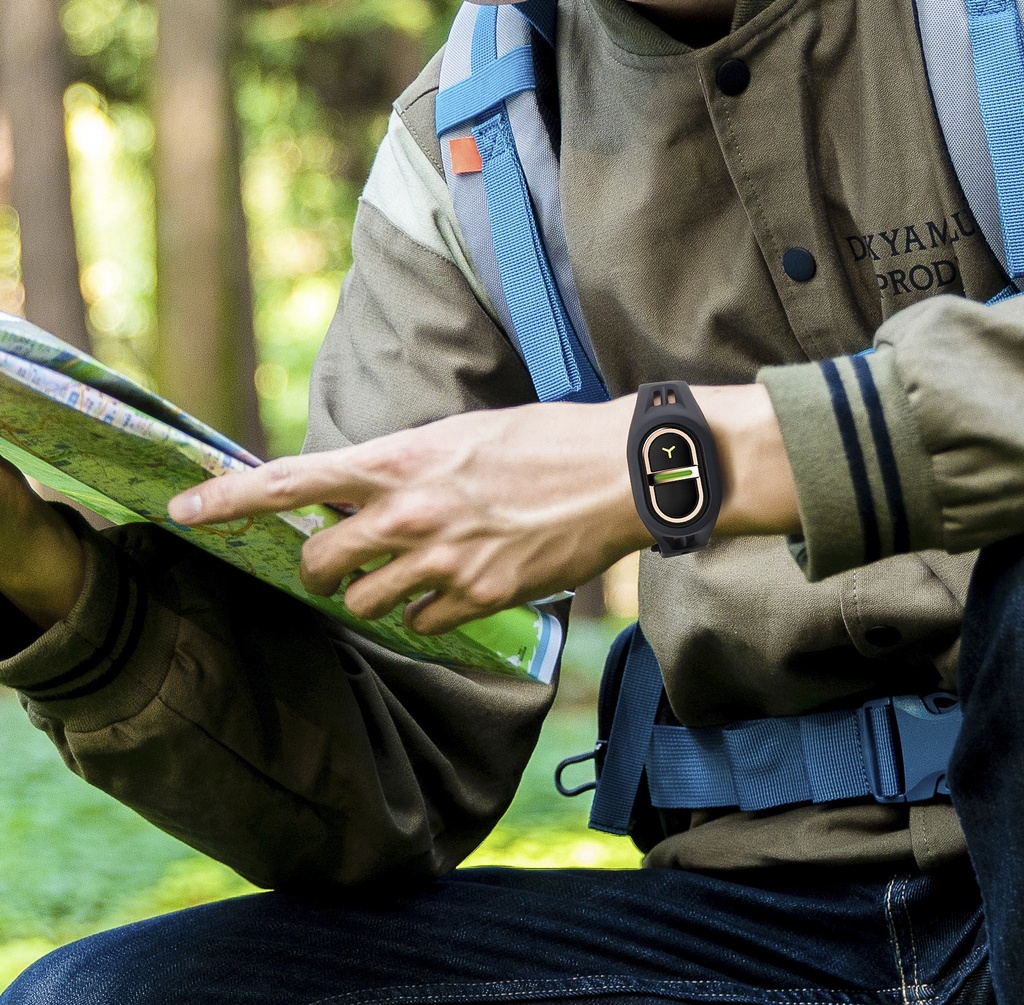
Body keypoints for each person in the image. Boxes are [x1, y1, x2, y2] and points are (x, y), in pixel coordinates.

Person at [1, 0, 1022, 1000]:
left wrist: (662, 463)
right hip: (762, 921)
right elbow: (386, 768)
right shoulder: (473, 128)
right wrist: (56, 587)